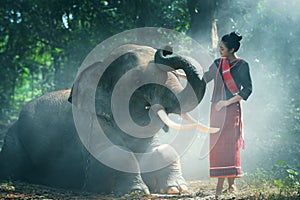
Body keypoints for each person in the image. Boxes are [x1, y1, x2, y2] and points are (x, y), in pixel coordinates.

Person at [173, 31, 252, 196]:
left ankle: (228, 185)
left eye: (222, 48)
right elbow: (203, 79)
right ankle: (223, 183)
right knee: (217, 145)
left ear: (231, 49)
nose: (219, 50)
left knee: (231, 146)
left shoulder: (243, 65)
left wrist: (226, 102)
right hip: (216, 111)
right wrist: (180, 75)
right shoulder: (217, 63)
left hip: (231, 111)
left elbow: (247, 90)